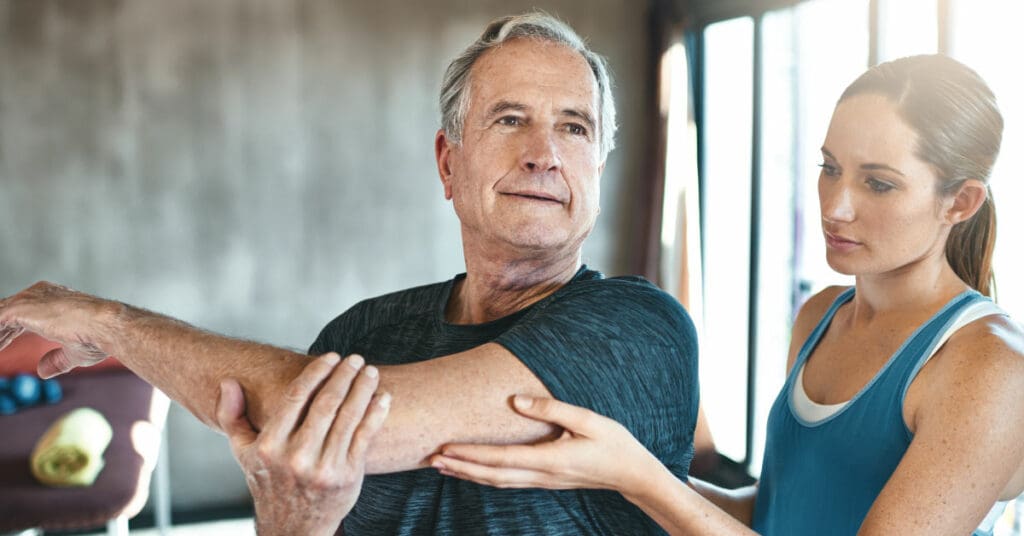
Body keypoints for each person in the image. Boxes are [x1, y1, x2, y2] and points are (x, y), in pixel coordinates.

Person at [0, 12, 700, 535]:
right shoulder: (365, 331)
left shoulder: (639, 329)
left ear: (596, 170)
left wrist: (113, 323)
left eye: (575, 128)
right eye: (510, 119)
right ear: (448, 164)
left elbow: (346, 420)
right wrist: (290, 520)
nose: (544, 153)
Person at [428, 54, 1024, 536]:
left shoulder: (989, 369)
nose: (835, 206)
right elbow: (779, 513)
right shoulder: (823, 315)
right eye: (829, 168)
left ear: (960, 202)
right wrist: (601, 465)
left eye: (878, 183)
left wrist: (641, 478)